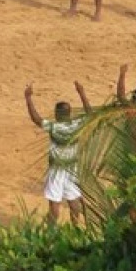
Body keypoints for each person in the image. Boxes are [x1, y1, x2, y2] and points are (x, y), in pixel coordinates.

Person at [24, 81, 91, 226]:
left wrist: (28, 99)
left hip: (56, 169)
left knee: (55, 201)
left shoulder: (54, 127)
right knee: (73, 199)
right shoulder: (76, 125)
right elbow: (90, 114)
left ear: (57, 114)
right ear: (69, 113)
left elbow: (36, 118)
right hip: (72, 168)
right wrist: (82, 93)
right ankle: (76, 226)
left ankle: (52, 230)